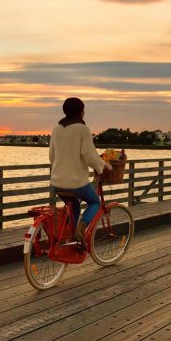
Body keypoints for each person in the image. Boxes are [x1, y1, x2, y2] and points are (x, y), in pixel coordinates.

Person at [49, 97, 113, 246]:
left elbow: (52, 157)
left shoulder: (56, 128)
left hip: (57, 182)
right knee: (94, 202)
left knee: (75, 205)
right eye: (83, 109)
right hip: (76, 183)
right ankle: (81, 228)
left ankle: (71, 237)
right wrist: (103, 166)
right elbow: (90, 156)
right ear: (80, 112)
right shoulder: (82, 129)